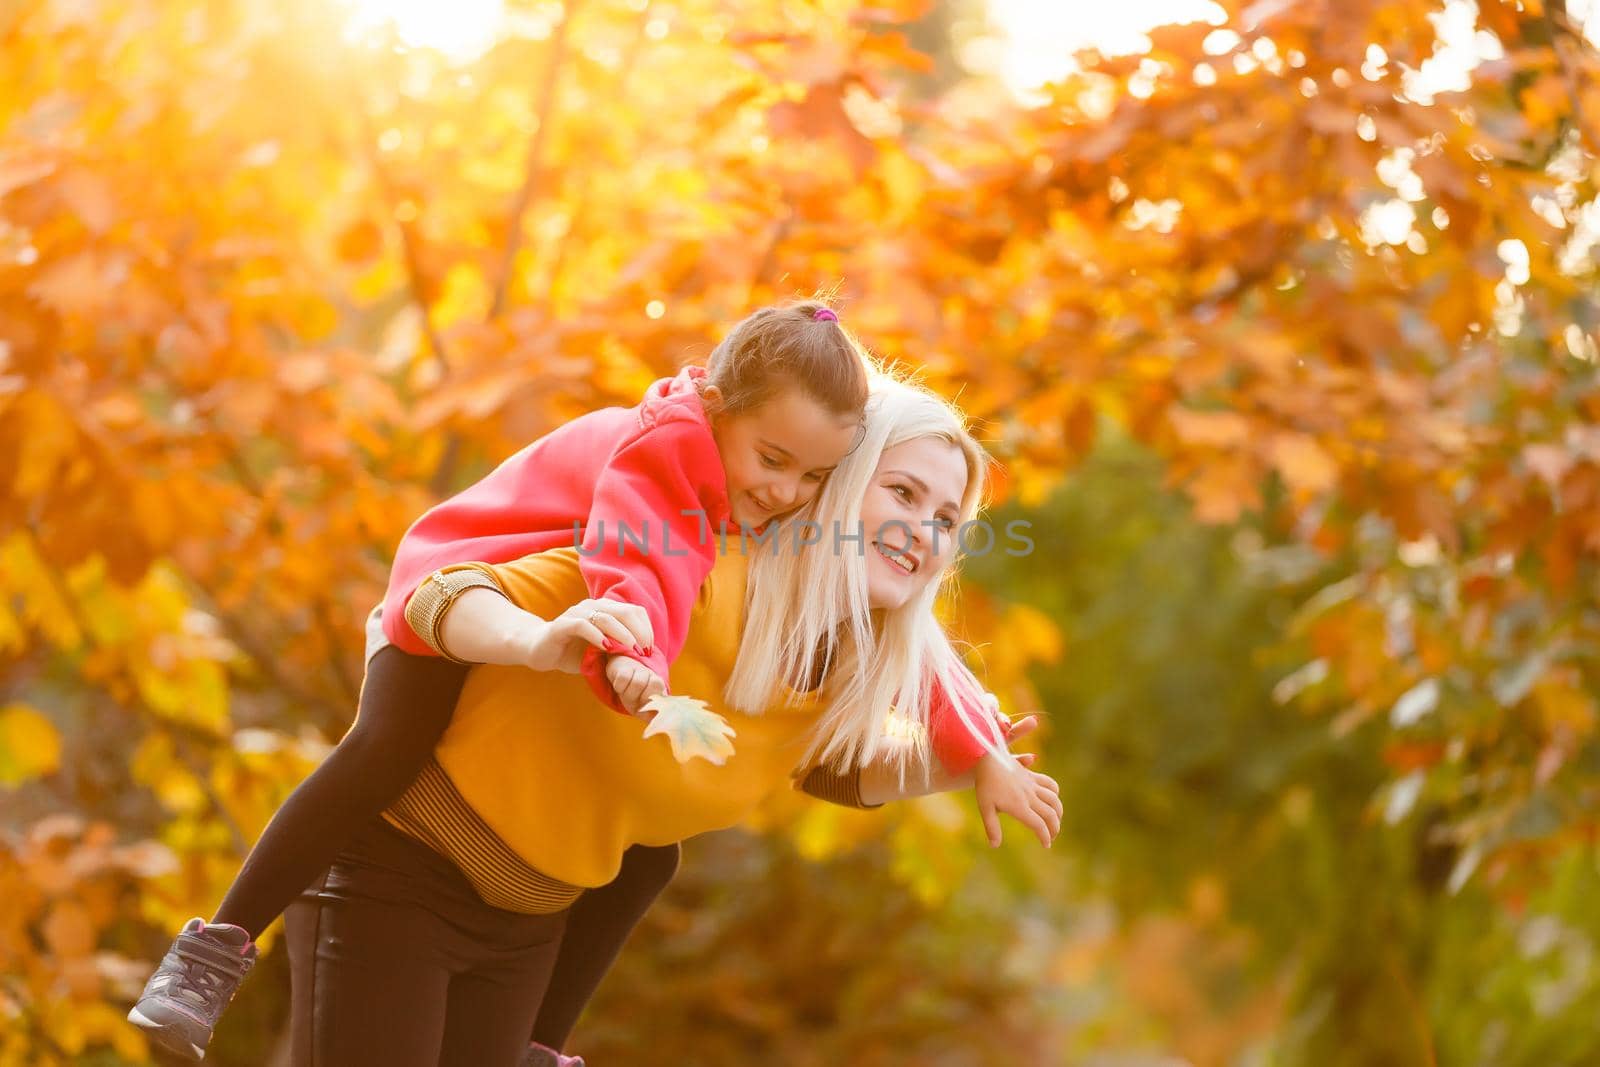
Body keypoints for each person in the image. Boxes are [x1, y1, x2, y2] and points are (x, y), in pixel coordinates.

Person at [128, 304, 1005, 1063]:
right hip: (455, 587)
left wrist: (983, 753)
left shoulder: (757, 550)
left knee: (648, 854)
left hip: (526, 863)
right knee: (384, 747)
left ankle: (537, 1046)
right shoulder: (666, 459)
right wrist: (625, 656)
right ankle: (216, 947)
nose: (783, 490)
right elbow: (635, 570)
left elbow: (885, 701)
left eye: (809, 478)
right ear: (719, 406)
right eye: (775, 460)